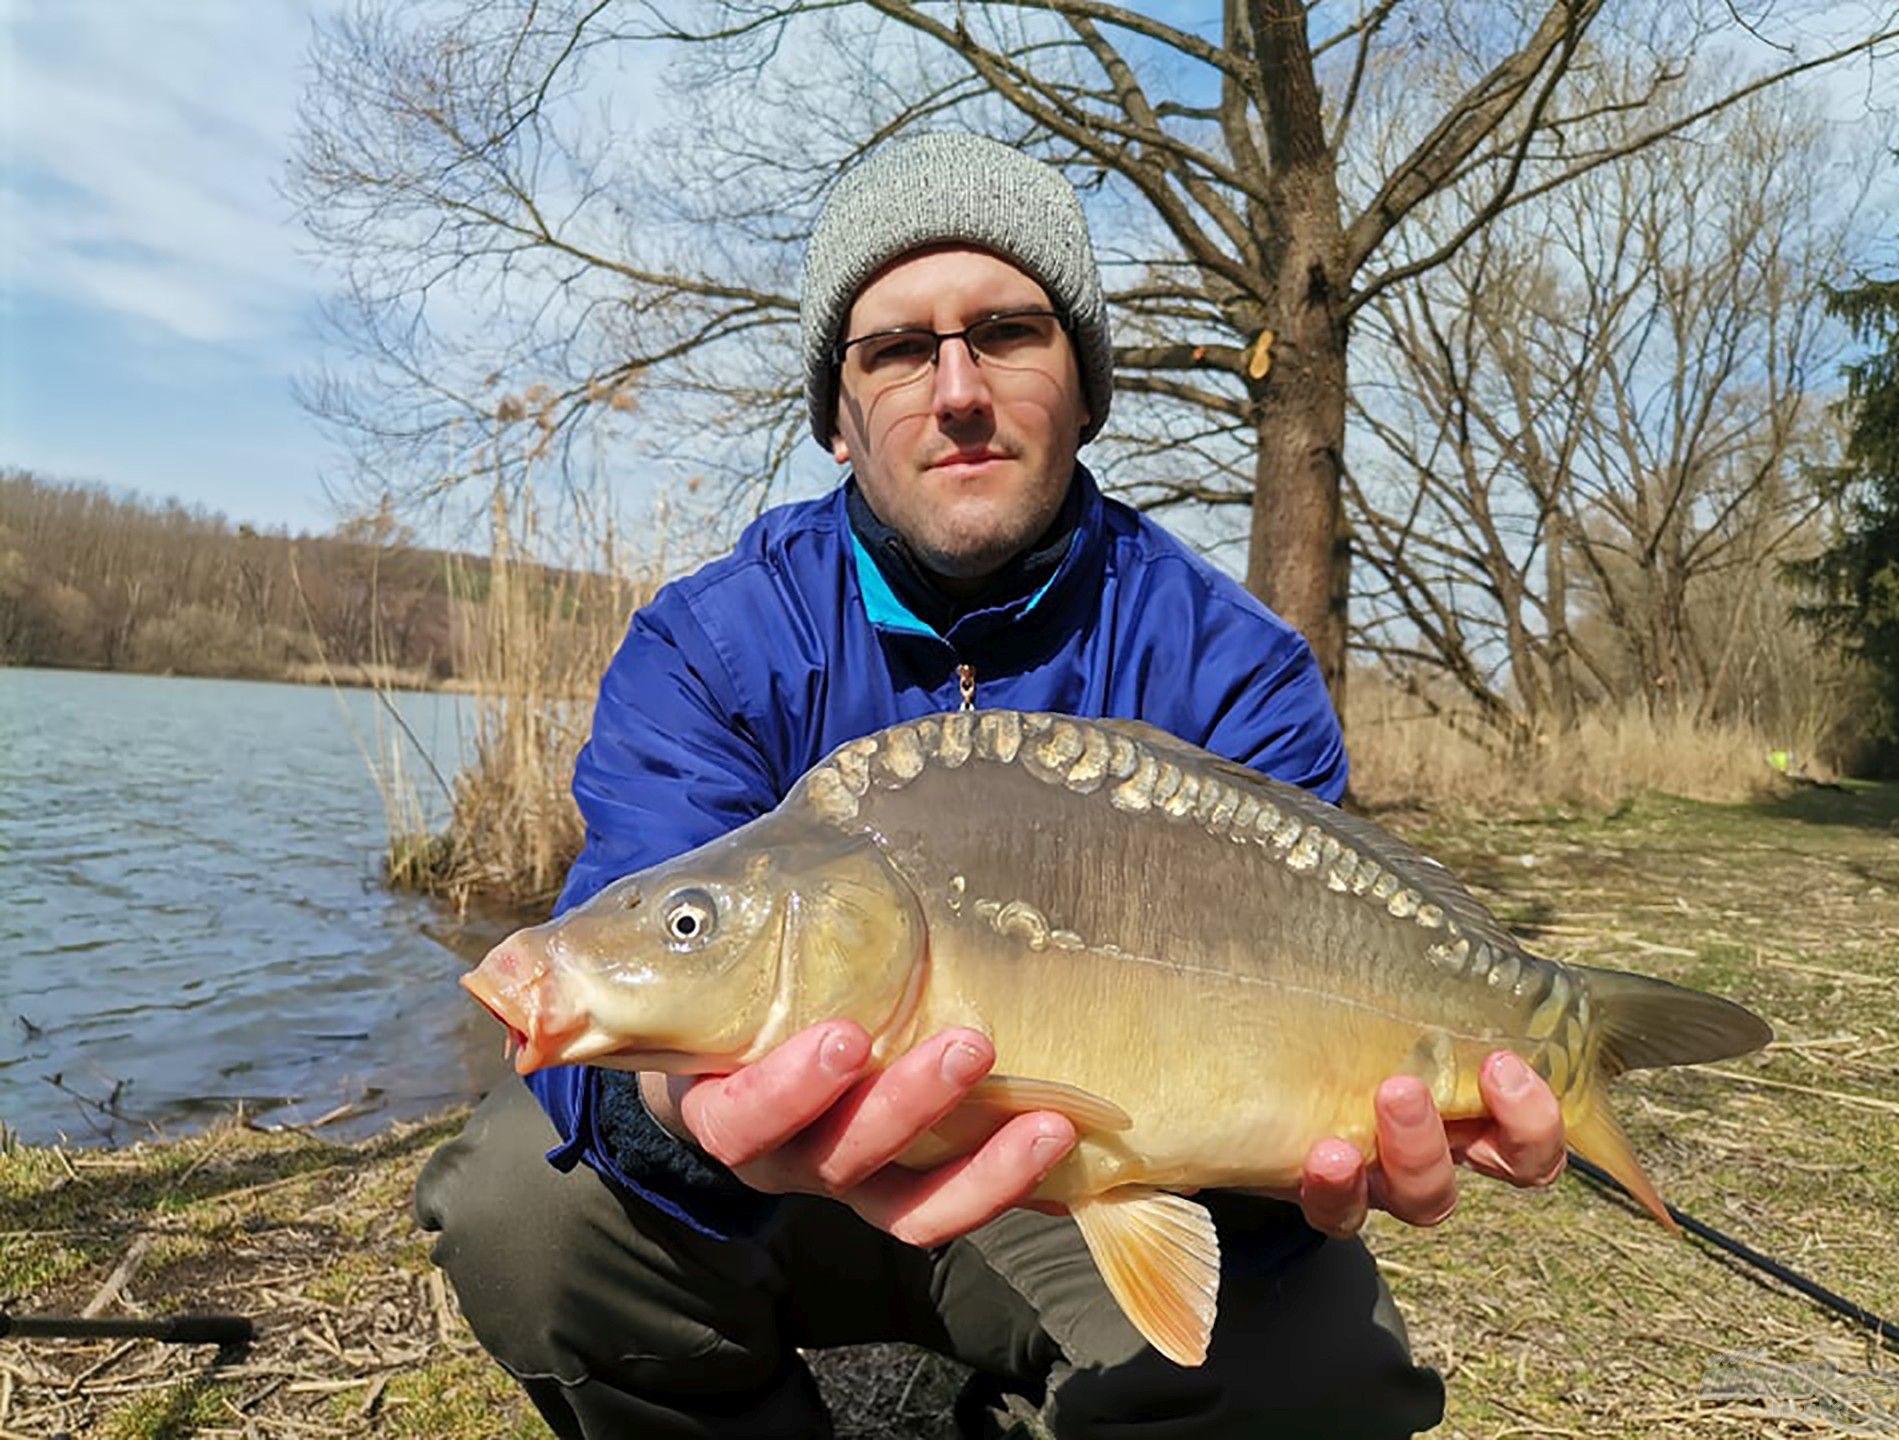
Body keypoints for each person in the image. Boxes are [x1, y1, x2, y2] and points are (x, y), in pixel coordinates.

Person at [415, 132, 1566, 1439]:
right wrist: (696, 1107)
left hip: (1085, 1192)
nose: (956, 388)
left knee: (1319, 1380)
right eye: (897, 350)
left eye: (1009, 333)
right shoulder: (713, 644)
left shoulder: (1234, 667)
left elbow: (1301, 1048)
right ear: (839, 419)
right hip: (780, 1204)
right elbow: (623, 972)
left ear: (1085, 390)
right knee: (521, 1204)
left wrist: (1329, 1148)